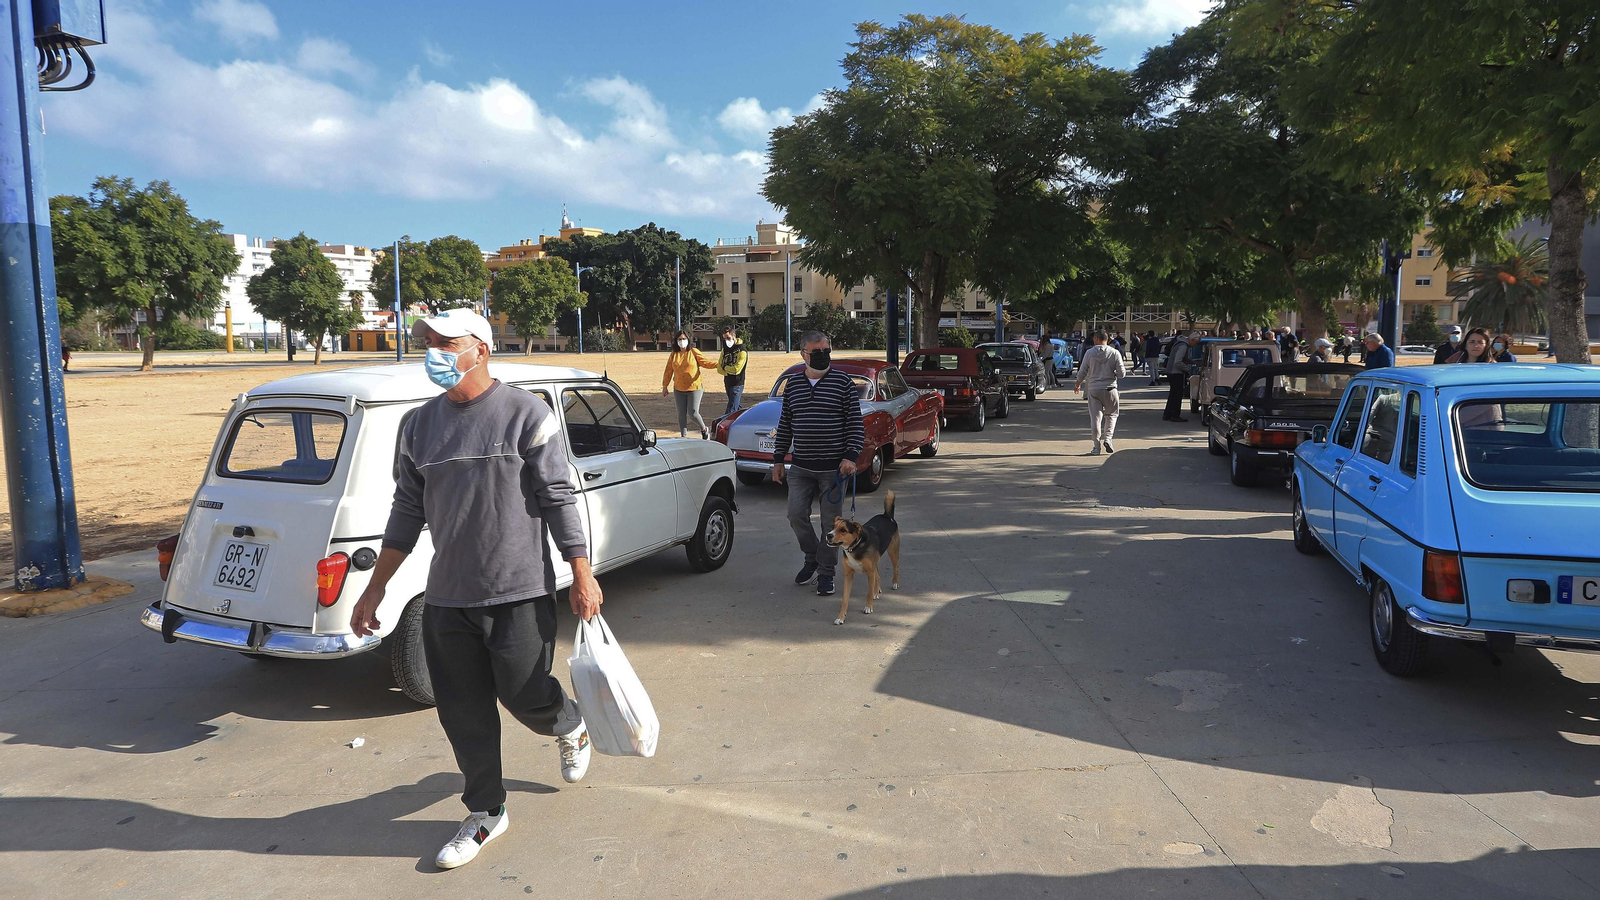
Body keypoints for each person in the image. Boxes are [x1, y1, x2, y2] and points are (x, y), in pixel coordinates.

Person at [349, 308, 599, 871]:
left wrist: (582, 571)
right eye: (427, 342)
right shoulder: (417, 426)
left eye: (445, 342)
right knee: (463, 712)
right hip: (448, 598)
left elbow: (560, 497)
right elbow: (406, 510)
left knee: (525, 693)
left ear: (480, 350)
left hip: (518, 591)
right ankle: (486, 810)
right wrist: (374, 590)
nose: (432, 351)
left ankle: (569, 723)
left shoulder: (525, 415)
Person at [770, 331, 864, 598]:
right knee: (795, 515)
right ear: (803, 354)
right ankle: (811, 556)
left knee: (829, 526)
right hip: (801, 466)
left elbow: (855, 424)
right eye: (817, 351)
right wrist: (778, 459)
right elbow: (786, 424)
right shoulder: (794, 386)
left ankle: (825, 574)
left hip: (834, 469)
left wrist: (851, 456)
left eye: (827, 350)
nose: (823, 355)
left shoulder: (843, 383)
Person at [1075, 331, 1127, 455]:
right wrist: (1114, 373)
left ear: (1097, 338)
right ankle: (1108, 438)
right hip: (1110, 389)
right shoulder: (1115, 353)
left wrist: (1077, 385)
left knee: (1095, 419)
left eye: (1094, 338)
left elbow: (1082, 371)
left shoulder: (1089, 353)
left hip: (1094, 389)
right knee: (1112, 415)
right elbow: (1122, 374)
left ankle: (1096, 447)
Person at [661, 330, 717, 439]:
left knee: (693, 413)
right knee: (681, 414)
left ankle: (704, 429)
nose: (682, 341)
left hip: (694, 388)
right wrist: (665, 386)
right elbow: (668, 371)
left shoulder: (694, 352)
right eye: (679, 339)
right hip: (679, 388)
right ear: (676, 341)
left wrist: (718, 364)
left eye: (684, 339)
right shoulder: (674, 354)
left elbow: (705, 363)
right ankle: (683, 436)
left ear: (688, 339)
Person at [715, 324, 748, 423]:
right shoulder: (725, 349)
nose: (726, 341)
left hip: (737, 383)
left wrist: (725, 368)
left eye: (728, 338)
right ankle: (746, 421)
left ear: (734, 336)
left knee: (731, 409)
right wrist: (726, 369)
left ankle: (722, 425)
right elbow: (719, 368)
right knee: (736, 406)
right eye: (724, 339)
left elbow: (737, 369)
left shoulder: (742, 350)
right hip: (727, 382)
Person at [1163, 332, 1201, 422]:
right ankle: (1175, 415)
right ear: (1191, 340)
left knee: (1173, 394)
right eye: (1196, 343)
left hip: (1172, 371)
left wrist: (1193, 362)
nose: (1195, 345)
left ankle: (1167, 414)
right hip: (1175, 372)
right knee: (1177, 394)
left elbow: (1183, 359)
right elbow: (1178, 361)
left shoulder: (1180, 344)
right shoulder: (1183, 346)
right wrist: (1188, 369)